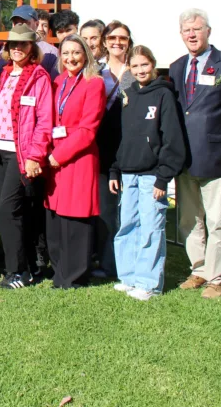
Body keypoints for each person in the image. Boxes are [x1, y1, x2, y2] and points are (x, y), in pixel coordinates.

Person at [169, 8, 221, 299]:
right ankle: (198, 270)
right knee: (189, 220)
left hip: (217, 158)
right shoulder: (177, 67)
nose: (191, 34)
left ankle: (216, 277)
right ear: (181, 34)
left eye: (197, 29)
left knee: (218, 221)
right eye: (186, 30)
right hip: (185, 159)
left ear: (208, 32)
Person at [109, 45, 185, 301]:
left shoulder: (164, 94)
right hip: (128, 173)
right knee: (128, 225)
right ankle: (128, 276)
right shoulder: (127, 96)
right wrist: (114, 170)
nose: (141, 70)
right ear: (129, 67)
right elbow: (119, 137)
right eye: (136, 66)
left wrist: (164, 176)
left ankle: (148, 282)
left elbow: (171, 139)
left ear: (153, 65)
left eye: (145, 65)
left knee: (151, 227)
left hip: (152, 174)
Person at [0, 24, 53, 289]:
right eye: (12, 44)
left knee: (7, 208)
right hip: (2, 152)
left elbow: (44, 121)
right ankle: (29, 264)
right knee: (19, 208)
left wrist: (35, 156)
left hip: (23, 153)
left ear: (32, 48)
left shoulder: (39, 77)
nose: (16, 48)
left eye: (23, 44)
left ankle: (17, 272)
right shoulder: (5, 75)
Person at [44, 35, 106, 289]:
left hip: (77, 158)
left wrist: (58, 155)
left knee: (75, 218)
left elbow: (87, 130)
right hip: (54, 157)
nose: (70, 58)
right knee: (57, 216)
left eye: (76, 53)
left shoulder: (94, 84)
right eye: (66, 53)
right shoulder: (59, 81)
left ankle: (75, 275)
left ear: (86, 55)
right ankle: (59, 271)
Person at [92, 20, 136, 279]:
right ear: (105, 42)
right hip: (103, 146)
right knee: (106, 209)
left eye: (123, 38)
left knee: (129, 207)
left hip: (130, 145)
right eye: (113, 38)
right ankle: (108, 262)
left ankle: (128, 261)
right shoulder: (97, 71)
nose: (118, 42)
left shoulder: (138, 69)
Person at [6, 5, 58, 77]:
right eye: (16, 23)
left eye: (26, 23)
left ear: (36, 24)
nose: (21, 27)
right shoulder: (4, 51)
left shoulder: (51, 52)